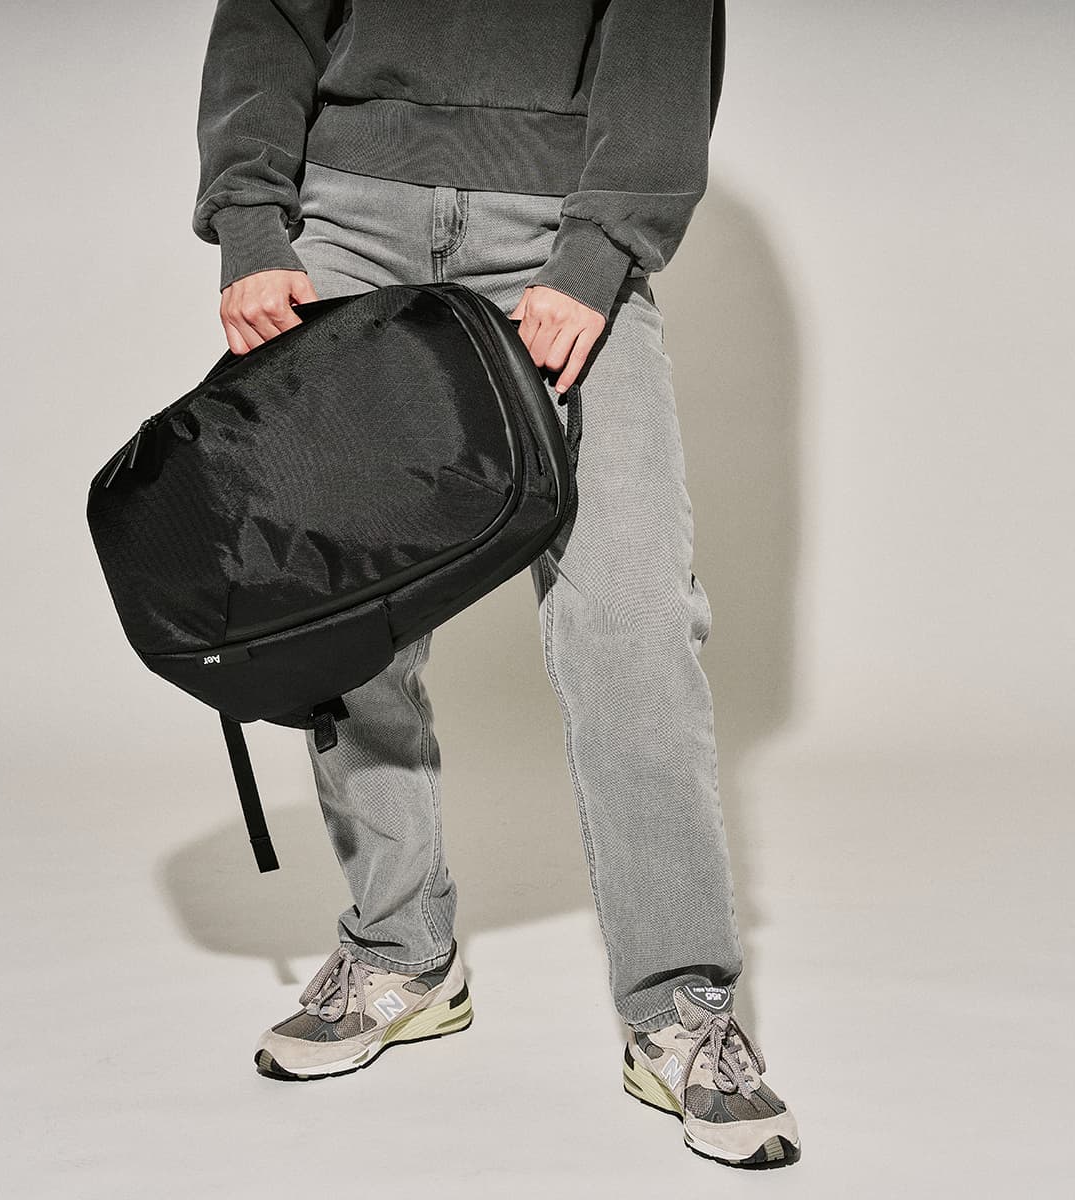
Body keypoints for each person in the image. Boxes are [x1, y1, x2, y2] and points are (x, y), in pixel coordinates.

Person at [193, 0, 799, 1170]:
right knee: (341, 618)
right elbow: (268, 19)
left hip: (558, 233)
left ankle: (680, 1002)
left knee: (631, 616)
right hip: (345, 223)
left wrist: (600, 249)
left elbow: (665, 37)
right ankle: (399, 949)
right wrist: (253, 224)